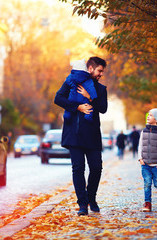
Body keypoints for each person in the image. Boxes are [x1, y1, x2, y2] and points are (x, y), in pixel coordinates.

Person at [54, 56, 108, 216]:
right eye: (99, 71)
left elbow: (103, 109)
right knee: (78, 169)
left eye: (102, 72)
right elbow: (58, 98)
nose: (100, 74)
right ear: (90, 68)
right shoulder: (72, 81)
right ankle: (82, 204)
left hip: (92, 135)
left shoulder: (101, 89)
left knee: (96, 167)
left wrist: (90, 97)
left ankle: (91, 198)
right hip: (74, 134)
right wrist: (77, 107)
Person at [138, 108, 157, 212]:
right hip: (145, 164)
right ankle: (147, 204)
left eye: (151, 115)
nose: (148, 116)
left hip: (156, 165)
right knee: (147, 184)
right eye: (148, 115)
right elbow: (140, 146)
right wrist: (140, 159)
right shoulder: (144, 131)